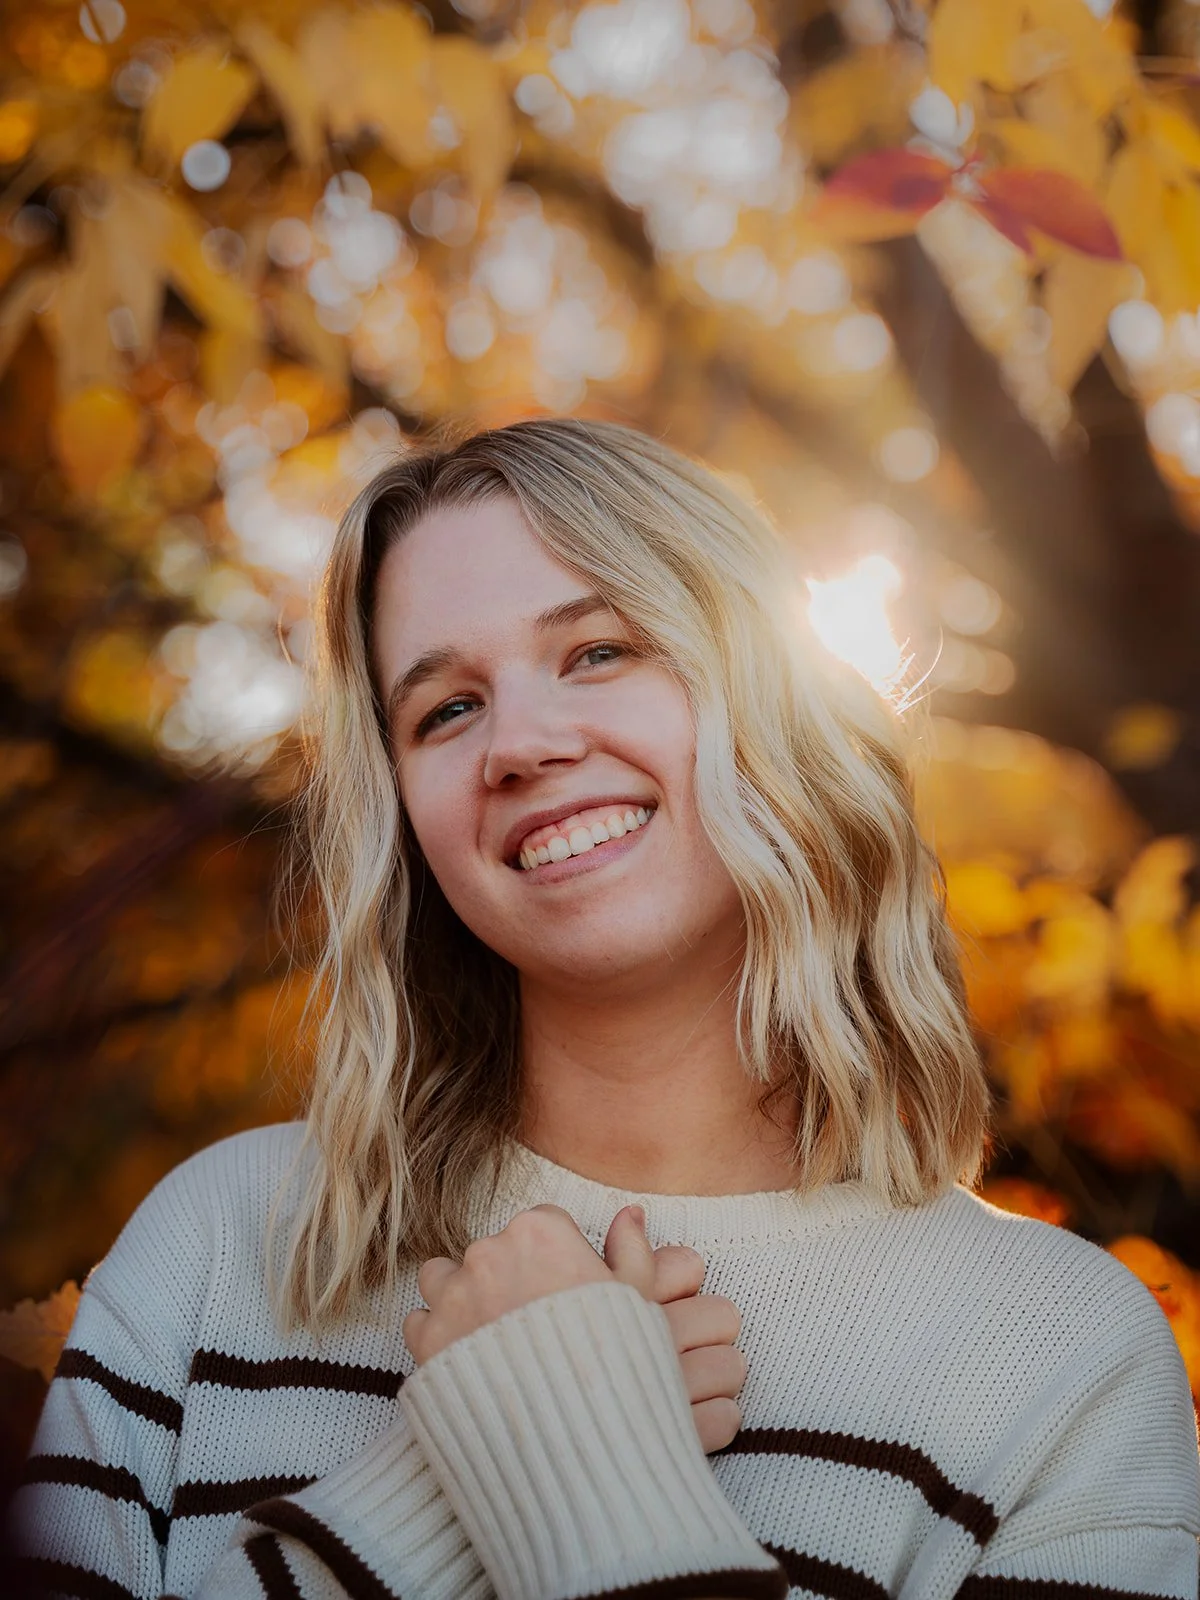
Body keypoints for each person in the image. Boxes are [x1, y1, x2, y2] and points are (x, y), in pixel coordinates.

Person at [10, 418, 1199, 1600]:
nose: (520, 744)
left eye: (598, 652)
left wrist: (603, 1497)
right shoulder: (226, 1248)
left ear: (774, 696)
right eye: (446, 710)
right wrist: (444, 1475)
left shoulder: (1058, 1358)